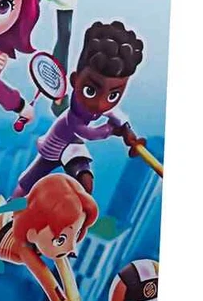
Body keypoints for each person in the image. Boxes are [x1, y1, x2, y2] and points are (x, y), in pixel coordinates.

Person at [13, 20, 147, 197]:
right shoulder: (74, 115)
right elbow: (87, 132)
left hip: (72, 145)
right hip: (53, 148)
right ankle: (11, 204)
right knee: (28, 181)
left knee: (85, 183)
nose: (100, 104)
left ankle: (75, 213)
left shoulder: (98, 106)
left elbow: (112, 112)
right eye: (90, 91)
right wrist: (111, 130)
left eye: (113, 95)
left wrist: (126, 129)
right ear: (75, 80)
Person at [0, 173, 97, 301]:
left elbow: (66, 273)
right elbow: (49, 282)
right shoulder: (25, 248)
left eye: (76, 234)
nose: (72, 248)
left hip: (0, 212)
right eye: (61, 239)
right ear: (33, 233)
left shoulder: (46, 237)